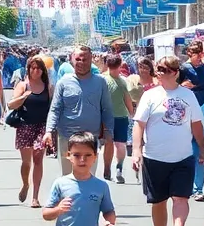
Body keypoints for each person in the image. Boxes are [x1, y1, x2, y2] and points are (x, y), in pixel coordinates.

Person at [132, 56, 204, 226]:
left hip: (182, 157)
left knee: (181, 198)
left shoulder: (188, 95)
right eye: (158, 69)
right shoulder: (150, 96)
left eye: (163, 69)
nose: (159, 72)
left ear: (175, 72)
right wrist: (137, 150)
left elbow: (196, 124)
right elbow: (139, 125)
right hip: (155, 158)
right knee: (159, 202)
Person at [45, 45, 114, 176]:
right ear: (72, 60)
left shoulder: (100, 82)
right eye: (78, 59)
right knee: (68, 179)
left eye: (85, 59)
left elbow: (107, 109)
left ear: (91, 60)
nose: (81, 62)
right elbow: (55, 109)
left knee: (88, 179)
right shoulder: (63, 82)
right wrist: (49, 131)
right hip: (67, 138)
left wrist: (109, 133)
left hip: (90, 139)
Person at [9, 56, 53, 208]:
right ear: (28, 69)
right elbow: (11, 105)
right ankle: (25, 184)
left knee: (38, 158)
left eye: (39, 68)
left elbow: (53, 107)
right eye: (33, 68)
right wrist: (23, 97)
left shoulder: (47, 86)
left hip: (41, 126)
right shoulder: (23, 85)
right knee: (26, 162)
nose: (36, 71)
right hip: (25, 126)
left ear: (43, 70)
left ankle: (35, 196)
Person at [181, 41, 204, 198]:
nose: (199, 58)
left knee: (200, 150)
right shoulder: (183, 69)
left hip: (202, 112)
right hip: (186, 114)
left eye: (201, 54)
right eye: (196, 54)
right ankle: (186, 184)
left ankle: (198, 188)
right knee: (187, 151)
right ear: (190, 54)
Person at [103, 54, 134, 183]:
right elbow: (127, 99)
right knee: (114, 144)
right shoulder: (106, 80)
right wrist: (132, 113)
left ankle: (114, 168)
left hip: (116, 117)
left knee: (115, 144)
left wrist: (131, 114)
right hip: (113, 117)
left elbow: (126, 98)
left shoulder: (120, 81)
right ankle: (111, 168)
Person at [126, 57, 156, 186]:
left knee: (149, 144)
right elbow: (127, 94)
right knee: (139, 143)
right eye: (141, 67)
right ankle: (140, 167)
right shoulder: (133, 80)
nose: (143, 70)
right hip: (138, 115)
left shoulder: (156, 81)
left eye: (146, 67)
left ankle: (147, 169)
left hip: (153, 116)